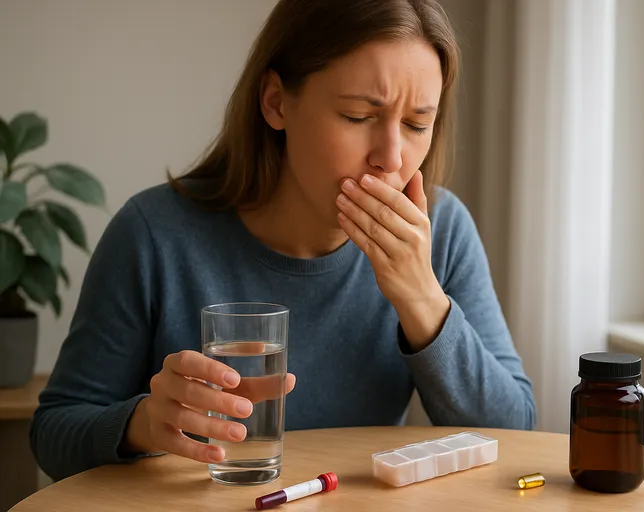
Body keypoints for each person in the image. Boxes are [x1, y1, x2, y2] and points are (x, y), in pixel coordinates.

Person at [30, 0, 536, 482]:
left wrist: (422, 298)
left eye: (416, 124)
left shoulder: (441, 231)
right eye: (358, 116)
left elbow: (515, 433)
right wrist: (140, 425)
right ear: (276, 103)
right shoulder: (152, 234)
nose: (391, 157)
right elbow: (53, 433)